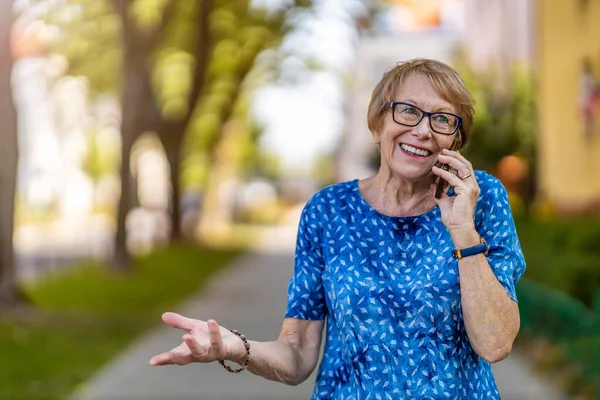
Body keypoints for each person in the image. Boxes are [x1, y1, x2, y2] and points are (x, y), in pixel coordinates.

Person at [149, 58, 526, 399]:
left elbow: (495, 344)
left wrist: (462, 230)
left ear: (454, 142)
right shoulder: (328, 211)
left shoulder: (481, 198)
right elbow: (297, 354)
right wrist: (234, 348)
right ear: (377, 125)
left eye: (442, 119)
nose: (423, 130)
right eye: (408, 111)